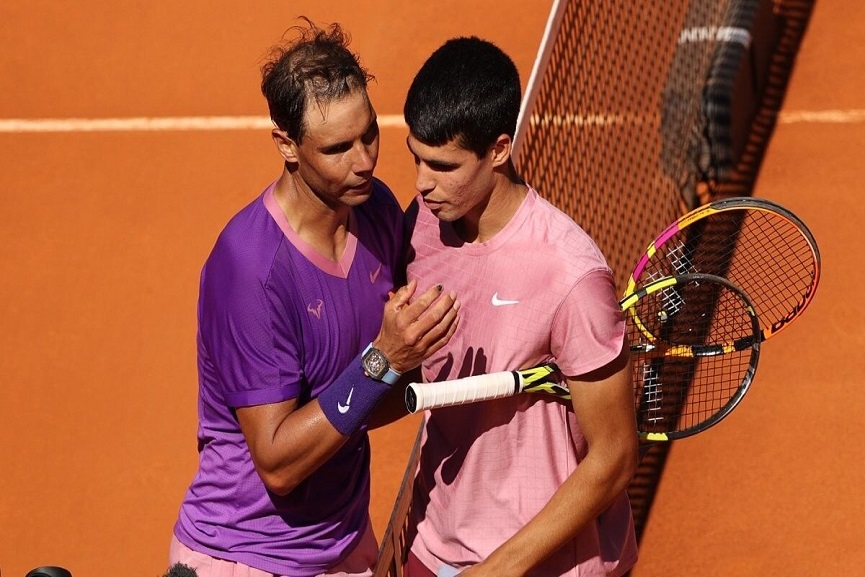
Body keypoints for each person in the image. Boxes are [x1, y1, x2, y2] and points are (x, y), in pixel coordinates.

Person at [169, 20, 459, 577]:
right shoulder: (251, 270)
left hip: (344, 544)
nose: (364, 161)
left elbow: (371, 399)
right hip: (247, 555)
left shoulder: (376, 212)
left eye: (369, 135)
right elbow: (278, 463)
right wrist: (385, 361)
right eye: (337, 148)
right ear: (286, 145)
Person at [400, 37, 640, 577]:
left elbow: (615, 455)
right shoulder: (420, 226)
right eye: (415, 157)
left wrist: (498, 569)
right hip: (434, 545)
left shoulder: (570, 275)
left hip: (540, 564)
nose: (421, 183)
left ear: (499, 151)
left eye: (443, 165)